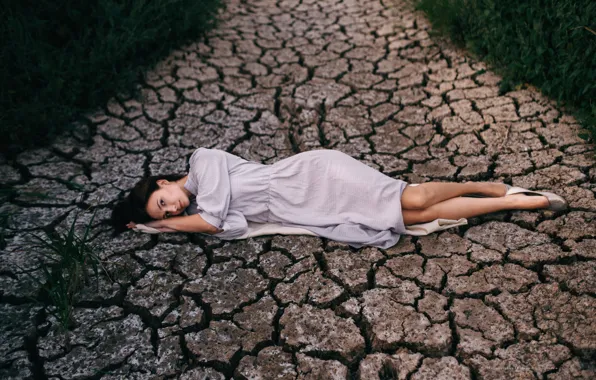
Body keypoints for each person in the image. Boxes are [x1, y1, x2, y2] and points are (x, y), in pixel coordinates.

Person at [110, 148, 566, 249]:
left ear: (165, 181)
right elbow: (230, 227)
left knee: (414, 196)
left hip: (317, 173)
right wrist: (164, 228)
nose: (172, 208)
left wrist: (173, 223)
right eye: (165, 213)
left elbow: (212, 218)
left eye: (163, 201)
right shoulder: (206, 212)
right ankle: (515, 201)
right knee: (412, 214)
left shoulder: (203, 163)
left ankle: (485, 186)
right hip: (311, 205)